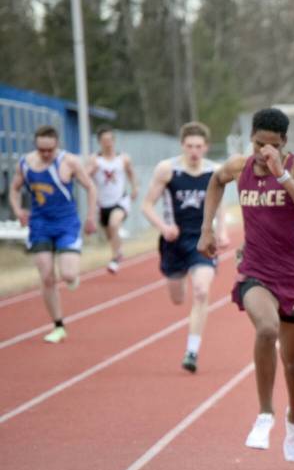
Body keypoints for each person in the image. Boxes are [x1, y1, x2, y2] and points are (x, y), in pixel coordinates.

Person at [198, 108, 294, 463]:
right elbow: (215, 181)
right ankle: (265, 414)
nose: (263, 151)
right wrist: (206, 228)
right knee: (266, 329)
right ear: (250, 139)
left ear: (284, 143)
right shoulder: (240, 167)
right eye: (258, 144)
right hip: (255, 269)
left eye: (271, 145)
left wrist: (282, 175)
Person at [141, 122, 229, 373]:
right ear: (182, 145)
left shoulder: (215, 171)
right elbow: (146, 205)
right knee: (178, 297)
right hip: (173, 241)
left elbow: (221, 205)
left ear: (206, 147)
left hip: (202, 240)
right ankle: (176, 276)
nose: (194, 151)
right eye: (189, 146)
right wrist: (163, 227)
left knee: (201, 291)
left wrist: (221, 231)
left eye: (198, 146)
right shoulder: (167, 170)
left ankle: (192, 351)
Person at [7, 125, 97, 343]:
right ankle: (58, 325)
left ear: (57, 145)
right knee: (47, 277)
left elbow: (91, 187)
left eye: (50, 150)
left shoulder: (69, 162)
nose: (46, 154)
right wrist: (18, 210)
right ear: (36, 147)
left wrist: (91, 216)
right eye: (42, 150)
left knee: (67, 275)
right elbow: (14, 189)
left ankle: (72, 276)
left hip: (66, 223)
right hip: (40, 224)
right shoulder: (26, 164)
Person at [88, 126, 138, 273]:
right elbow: (85, 176)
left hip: (120, 201)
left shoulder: (123, 158)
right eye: (104, 140)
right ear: (99, 142)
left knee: (114, 224)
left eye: (110, 140)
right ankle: (118, 250)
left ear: (114, 141)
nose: (108, 143)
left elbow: (131, 174)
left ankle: (115, 258)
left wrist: (135, 188)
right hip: (102, 204)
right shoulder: (95, 160)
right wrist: (90, 171)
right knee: (109, 234)